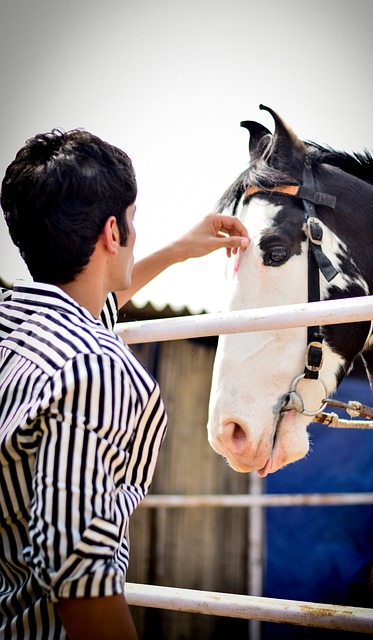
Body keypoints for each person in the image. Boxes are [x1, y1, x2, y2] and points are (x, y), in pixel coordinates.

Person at [0, 128, 249, 640]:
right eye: (133, 222)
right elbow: (79, 581)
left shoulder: (15, 329)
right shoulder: (93, 369)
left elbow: (86, 308)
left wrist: (179, 248)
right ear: (113, 234)